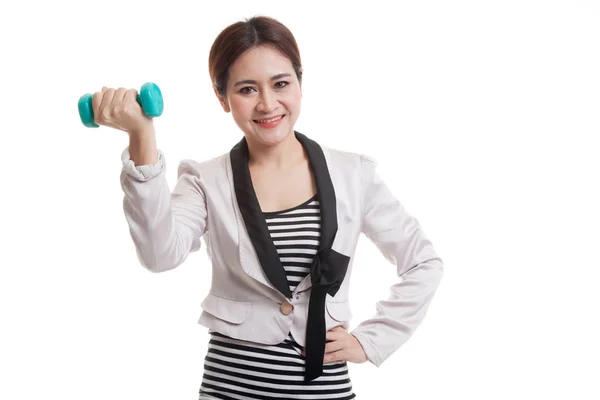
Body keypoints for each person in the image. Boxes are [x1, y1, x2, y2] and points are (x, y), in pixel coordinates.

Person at [91, 15, 444, 400]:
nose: (267, 103)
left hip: (322, 391)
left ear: (300, 83)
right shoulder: (206, 179)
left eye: (280, 84)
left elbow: (423, 262)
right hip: (229, 390)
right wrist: (143, 136)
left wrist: (371, 341)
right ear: (221, 97)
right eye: (246, 89)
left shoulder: (352, 175)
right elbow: (159, 255)